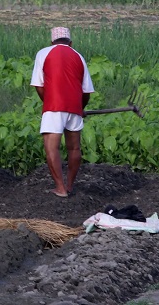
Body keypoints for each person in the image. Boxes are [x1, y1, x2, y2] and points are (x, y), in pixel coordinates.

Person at [30, 26, 94, 198]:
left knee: (52, 147)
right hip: (74, 106)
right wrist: (80, 108)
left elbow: (38, 84)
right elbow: (86, 91)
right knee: (74, 148)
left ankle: (60, 188)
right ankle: (70, 185)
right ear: (70, 42)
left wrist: (48, 102)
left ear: (52, 42)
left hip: (53, 107)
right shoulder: (79, 56)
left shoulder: (43, 53)